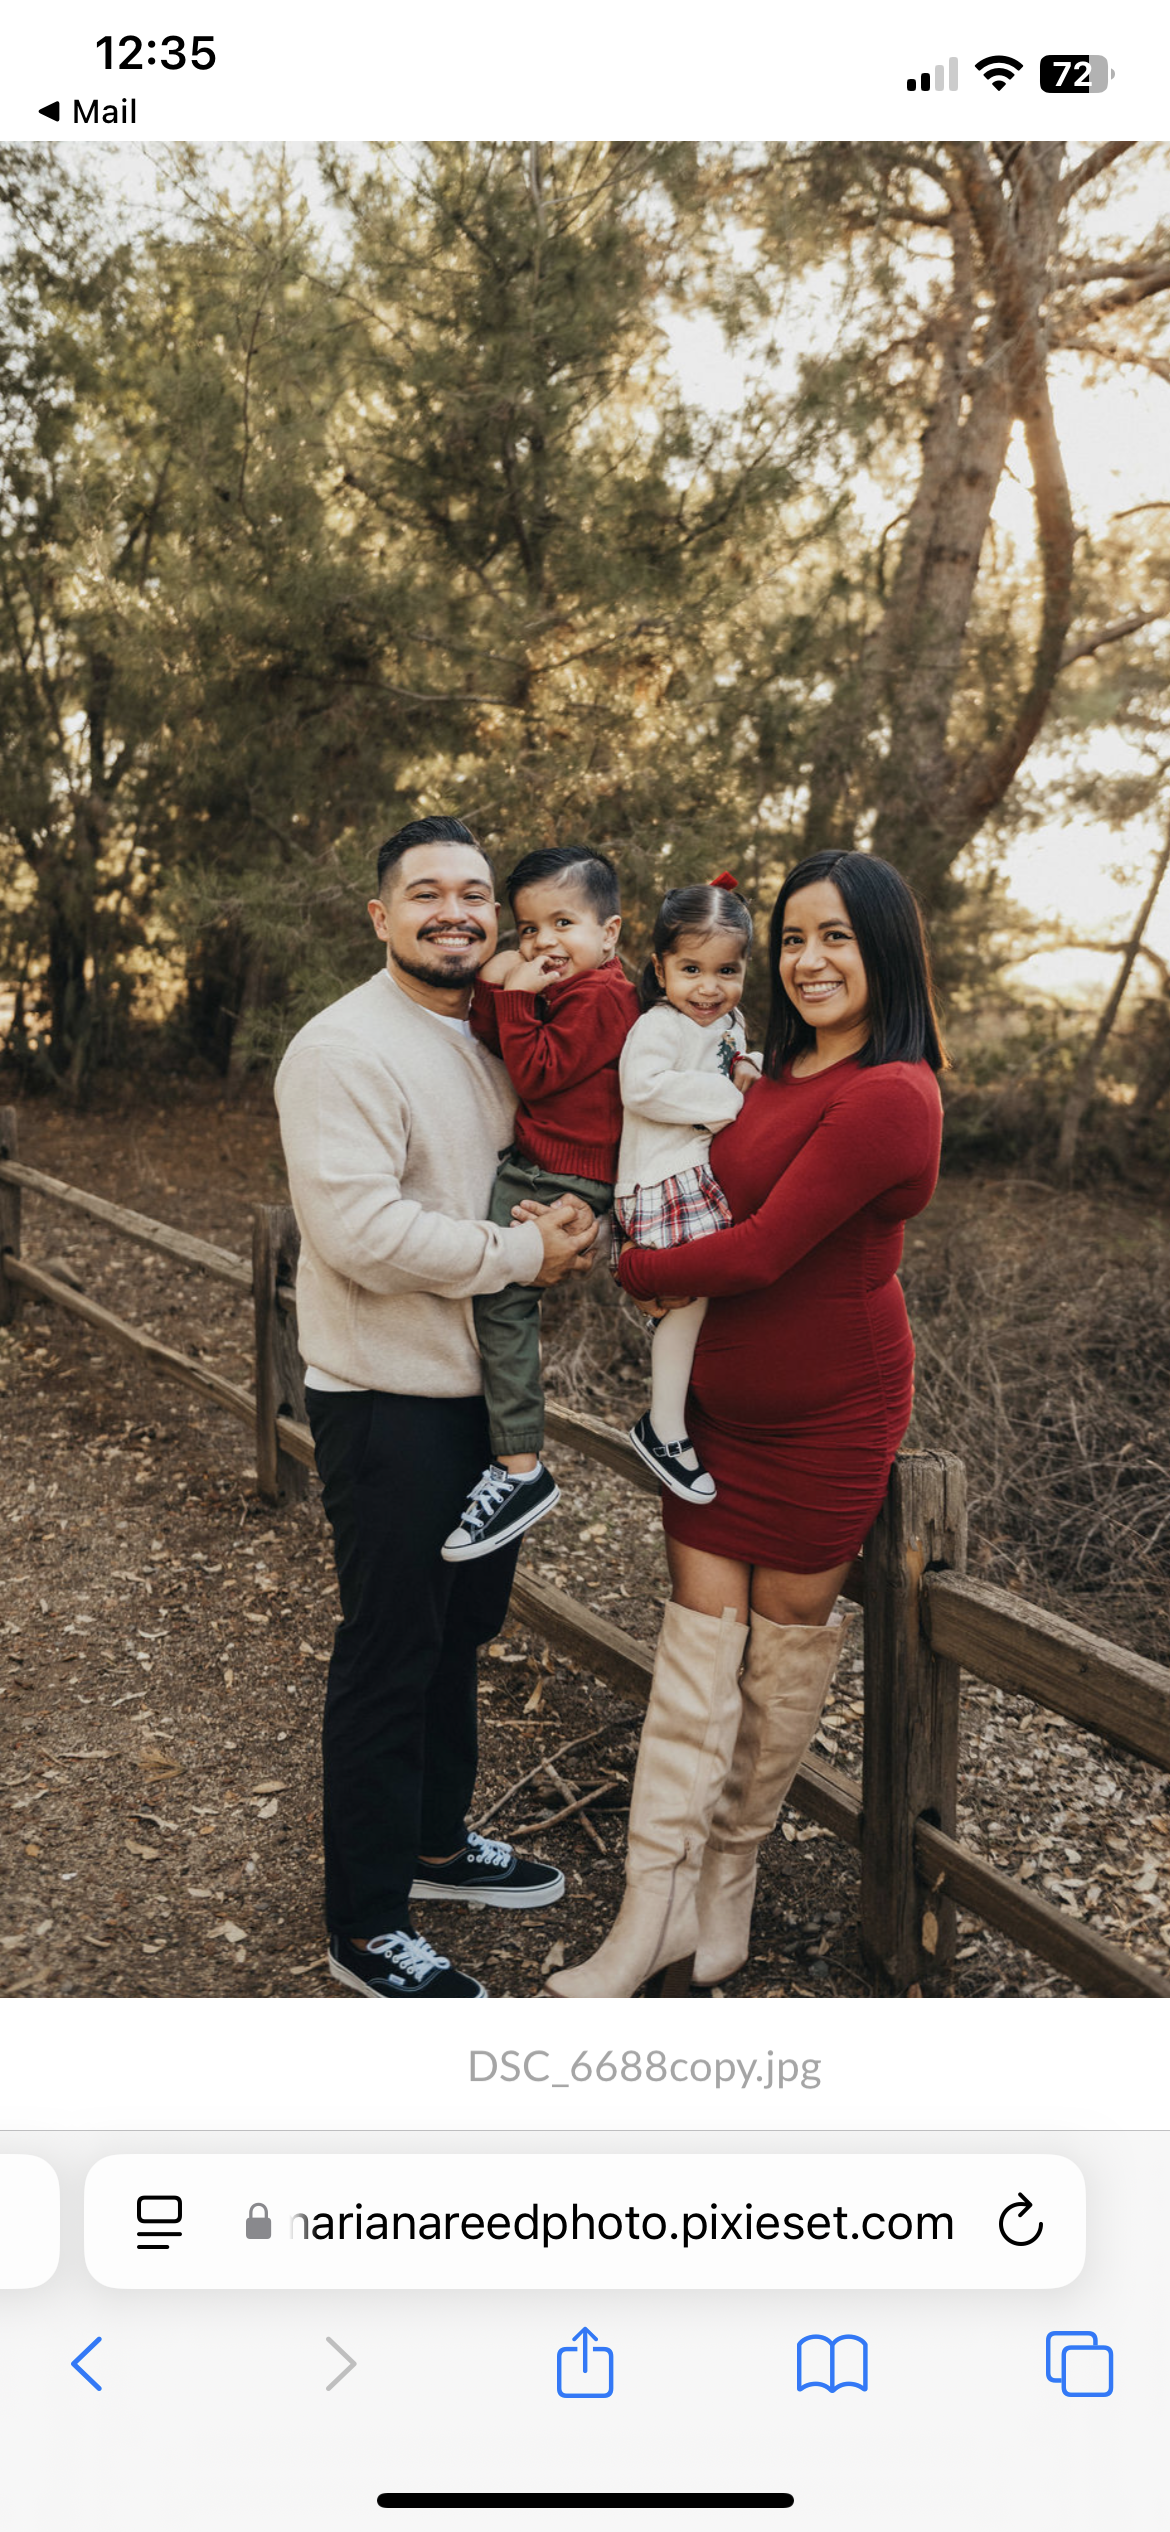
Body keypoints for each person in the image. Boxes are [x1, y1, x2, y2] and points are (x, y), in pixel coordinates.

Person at [546, 848, 946, 1998]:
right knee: (693, 1662)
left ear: (887, 950)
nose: (808, 960)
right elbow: (676, 1156)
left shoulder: (891, 1094)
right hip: (718, 1415)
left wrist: (640, 1268)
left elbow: (767, 1247)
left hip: (830, 1419)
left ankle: (726, 1894)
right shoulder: (759, 1066)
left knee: (779, 1671)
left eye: (837, 937)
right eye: (793, 937)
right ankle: (646, 1913)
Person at [275, 814, 598, 2001]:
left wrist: (579, 1225)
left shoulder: (491, 1035)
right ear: (381, 915)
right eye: (426, 894)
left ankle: (436, 1844)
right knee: (390, 1650)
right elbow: (356, 1234)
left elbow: (553, 1153)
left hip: (477, 1404)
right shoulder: (343, 1049)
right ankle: (364, 1925)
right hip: (386, 1398)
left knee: (460, 1636)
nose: (455, 911)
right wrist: (523, 1259)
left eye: (474, 894)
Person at [441, 846, 640, 1563]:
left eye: (564, 922)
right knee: (497, 1307)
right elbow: (497, 1037)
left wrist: (519, 989)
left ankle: (520, 1467)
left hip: (561, 1180)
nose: (544, 942)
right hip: (540, 1167)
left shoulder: (606, 998)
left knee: (502, 1308)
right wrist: (502, 982)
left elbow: (536, 1069)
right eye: (528, 928)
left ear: (609, 933)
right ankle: (510, 1457)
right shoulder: (570, 988)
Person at [616, 875, 757, 1503]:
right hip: (661, 1178)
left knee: (706, 1296)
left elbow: (734, 1057)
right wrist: (730, 1100)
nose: (709, 987)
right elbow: (641, 1087)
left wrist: (748, 1066)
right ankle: (663, 1424)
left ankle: (690, 1409)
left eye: (726, 970)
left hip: (698, 1174)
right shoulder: (661, 1024)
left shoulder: (729, 1020)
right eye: (691, 968)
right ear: (661, 967)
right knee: (688, 1296)